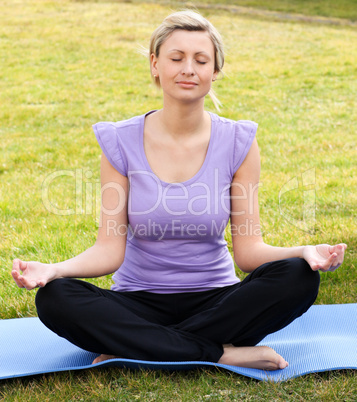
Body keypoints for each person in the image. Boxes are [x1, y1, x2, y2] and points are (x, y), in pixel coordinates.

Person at [12, 10, 347, 371]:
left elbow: (249, 253)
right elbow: (108, 252)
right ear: (155, 65)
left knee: (298, 276)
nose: (188, 68)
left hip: (218, 303)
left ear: (215, 71)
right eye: (176, 58)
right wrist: (53, 269)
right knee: (56, 297)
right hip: (137, 301)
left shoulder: (238, 142)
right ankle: (217, 352)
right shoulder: (119, 142)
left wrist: (305, 251)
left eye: (201, 60)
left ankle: (138, 345)